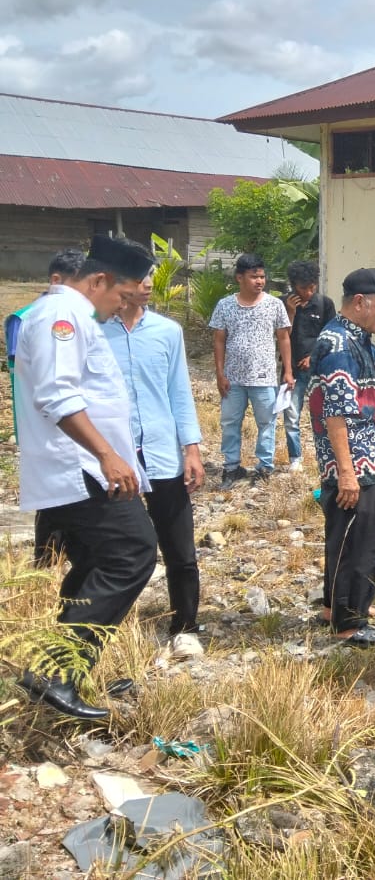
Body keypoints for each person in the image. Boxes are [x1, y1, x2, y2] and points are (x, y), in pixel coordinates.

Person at [13, 235, 158, 721]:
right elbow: (57, 397)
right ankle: (55, 675)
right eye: (120, 296)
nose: (120, 306)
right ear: (99, 280)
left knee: (92, 563)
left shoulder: (59, 313)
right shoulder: (66, 315)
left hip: (82, 468)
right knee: (132, 554)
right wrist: (107, 457)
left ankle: (63, 671)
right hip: (82, 469)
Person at [104, 275, 205, 653]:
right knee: (119, 547)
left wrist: (191, 448)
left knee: (180, 547)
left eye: (151, 275)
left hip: (162, 453)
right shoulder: (94, 332)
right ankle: (108, 628)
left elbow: (179, 391)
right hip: (116, 459)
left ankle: (186, 627)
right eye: (139, 277)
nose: (148, 283)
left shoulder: (167, 331)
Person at [308, 268, 375, 647]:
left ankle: (338, 607)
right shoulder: (337, 344)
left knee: (346, 535)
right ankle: (350, 623)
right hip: (354, 463)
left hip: (372, 456)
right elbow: (334, 413)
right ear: (360, 302)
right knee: (358, 542)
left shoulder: (362, 340)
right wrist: (347, 474)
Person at [7, 247, 86, 566]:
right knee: (53, 506)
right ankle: (45, 569)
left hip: (75, 429)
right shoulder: (29, 318)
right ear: (57, 280)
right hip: (48, 427)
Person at [210, 253, 292, 487]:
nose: (259, 281)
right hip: (232, 378)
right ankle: (231, 467)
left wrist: (287, 371)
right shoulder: (225, 305)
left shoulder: (275, 305)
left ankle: (264, 467)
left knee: (267, 422)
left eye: (262, 277)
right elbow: (219, 340)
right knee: (229, 422)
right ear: (239, 278)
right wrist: (220, 373)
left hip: (264, 377)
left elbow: (284, 338)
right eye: (254, 277)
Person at [282, 260, 335, 473]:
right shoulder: (282, 304)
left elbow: (330, 336)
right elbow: (281, 336)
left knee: (324, 415)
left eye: (313, 287)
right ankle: (295, 457)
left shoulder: (324, 304)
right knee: (291, 416)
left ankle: (328, 454)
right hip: (291, 371)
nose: (309, 292)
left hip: (319, 370)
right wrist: (291, 313)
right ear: (294, 285)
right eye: (304, 288)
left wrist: (313, 356)